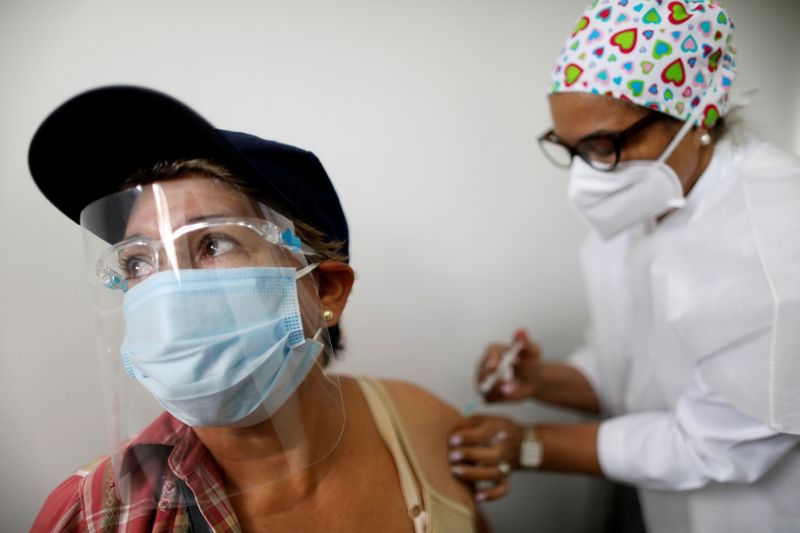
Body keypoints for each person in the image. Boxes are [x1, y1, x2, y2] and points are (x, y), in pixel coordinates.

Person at [28, 86, 484, 532]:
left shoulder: (424, 424)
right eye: (139, 261)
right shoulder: (96, 516)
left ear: (326, 291)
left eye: (213, 243)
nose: (166, 290)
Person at [448, 1, 800, 531]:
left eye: (604, 145)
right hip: (654, 499)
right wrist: (543, 379)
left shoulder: (775, 244)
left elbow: (712, 446)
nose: (585, 179)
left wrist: (529, 445)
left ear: (698, 116)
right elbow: (629, 371)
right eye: (568, 148)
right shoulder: (640, 203)